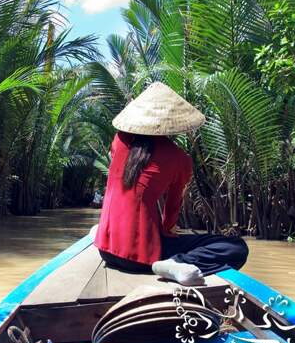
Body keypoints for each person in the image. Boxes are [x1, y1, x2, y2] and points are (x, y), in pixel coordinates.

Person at [93, 82, 248, 286]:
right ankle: (176, 263)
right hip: (143, 257)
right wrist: (166, 231)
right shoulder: (179, 158)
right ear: (173, 124)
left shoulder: (119, 140)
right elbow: (172, 209)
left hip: (106, 251)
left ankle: (100, 232)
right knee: (236, 247)